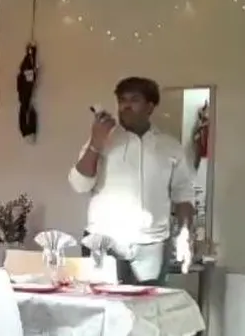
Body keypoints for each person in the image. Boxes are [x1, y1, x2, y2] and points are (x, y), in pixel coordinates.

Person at [68, 76, 196, 286]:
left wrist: (185, 234)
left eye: (134, 100)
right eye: (122, 100)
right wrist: (95, 144)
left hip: (152, 245)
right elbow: (79, 184)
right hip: (104, 242)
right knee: (104, 303)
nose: (126, 106)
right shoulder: (103, 139)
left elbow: (183, 194)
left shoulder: (170, 147)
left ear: (150, 107)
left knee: (148, 304)